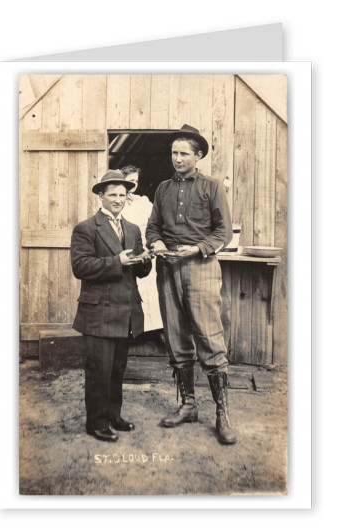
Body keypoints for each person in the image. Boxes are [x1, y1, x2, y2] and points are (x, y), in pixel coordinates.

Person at [146, 124, 237, 445]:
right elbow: (152, 227)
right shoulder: (162, 189)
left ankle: (222, 413)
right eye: (174, 153)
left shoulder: (212, 187)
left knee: (209, 338)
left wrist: (197, 249)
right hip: (168, 270)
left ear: (198, 156)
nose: (178, 158)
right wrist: (155, 243)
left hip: (200, 269)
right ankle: (188, 405)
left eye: (184, 153)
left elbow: (222, 233)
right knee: (175, 337)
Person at [71, 170, 152, 443]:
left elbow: (141, 271)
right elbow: (80, 267)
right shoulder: (86, 228)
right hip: (99, 313)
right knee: (99, 370)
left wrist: (145, 260)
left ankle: (113, 416)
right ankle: (95, 422)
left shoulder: (132, 228)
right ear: (101, 196)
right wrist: (118, 261)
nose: (118, 199)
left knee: (117, 369)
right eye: (112, 194)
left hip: (126, 311)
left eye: (122, 195)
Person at [120, 165, 164, 339]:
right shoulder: (117, 202)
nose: (134, 185)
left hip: (146, 246)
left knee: (151, 287)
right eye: (130, 181)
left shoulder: (143, 202)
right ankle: (132, 332)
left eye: (136, 181)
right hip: (127, 248)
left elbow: (155, 222)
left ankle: (156, 330)